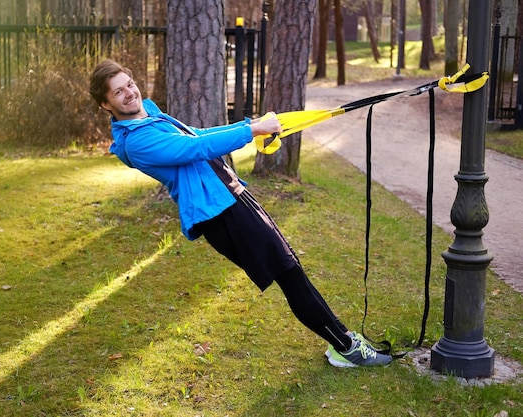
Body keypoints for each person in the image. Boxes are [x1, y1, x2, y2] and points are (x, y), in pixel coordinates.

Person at [89, 59, 392, 368]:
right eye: (118, 92)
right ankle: (345, 347)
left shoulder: (149, 118)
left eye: (129, 84)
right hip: (220, 213)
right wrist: (253, 130)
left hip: (231, 196)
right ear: (105, 104)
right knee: (289, 273)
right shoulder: (138, 141)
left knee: (291, 267)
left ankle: (342, 341)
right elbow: (198, 148)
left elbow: (200, 134)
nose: (129, 92)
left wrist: (250, 124)